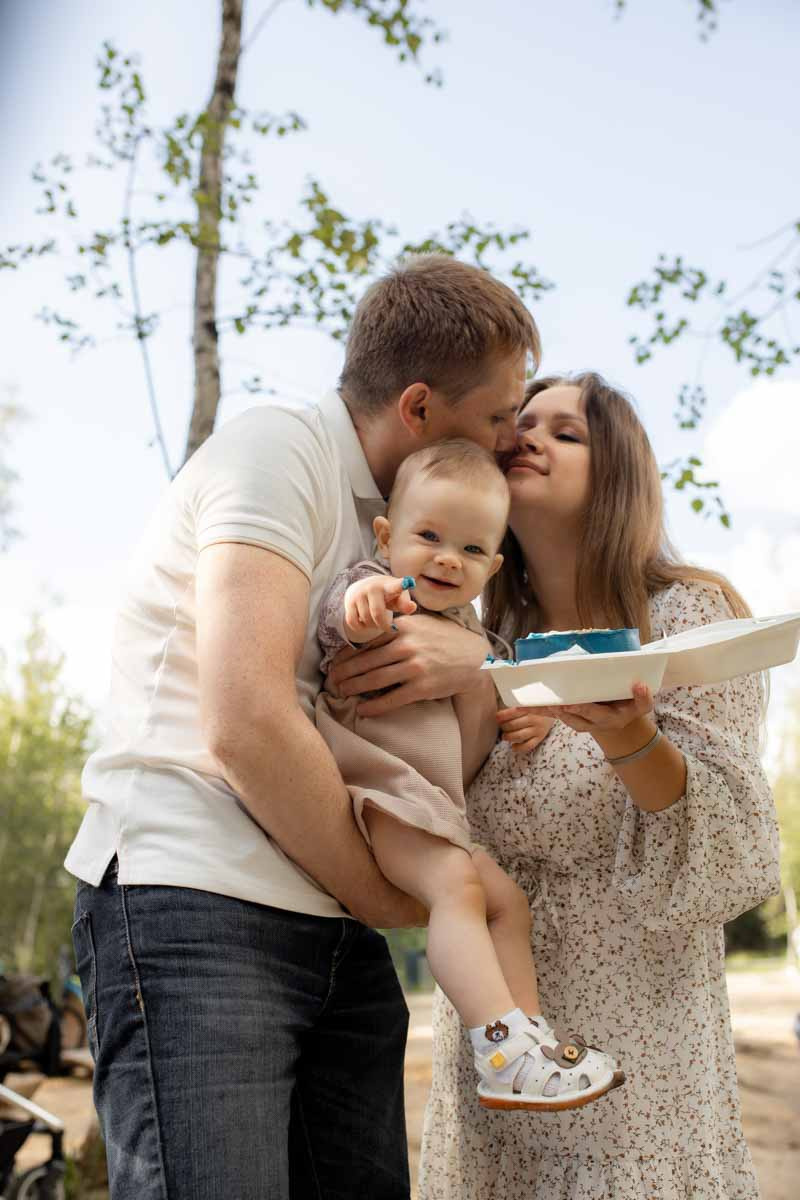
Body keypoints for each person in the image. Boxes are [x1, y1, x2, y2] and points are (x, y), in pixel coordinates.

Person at [63, 254, 539, 1200]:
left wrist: (480, 661)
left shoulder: (413, 530)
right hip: (193, 904)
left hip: (332, 930)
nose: (510, 440)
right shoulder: (275, 452)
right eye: (496, 416)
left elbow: (443, 753)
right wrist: (391, 896)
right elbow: (244, 719)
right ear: (415, 409)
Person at [409, 372, 781, 1198]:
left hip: (643, 1050)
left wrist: (629, 735)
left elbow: (722, 853)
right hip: (502, 1053)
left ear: (617, 474)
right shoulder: (473, 634)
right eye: (522, 423)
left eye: (566, 433)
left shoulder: (690, 616)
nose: (529, 437)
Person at [316, 437, 624, 1111]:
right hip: (379, 793)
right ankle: (502, 1050)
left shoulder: (471, 630)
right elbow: (347, 625)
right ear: (386, 534)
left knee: (506, 899)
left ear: (494, 565)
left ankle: (530, 1043)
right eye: (428, 536)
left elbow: (500, 687)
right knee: (456, 886)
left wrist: (533, 715)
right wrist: (367, 601)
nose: (448, 558)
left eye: (472, 549)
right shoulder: (375, 587)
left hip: (431, 806)